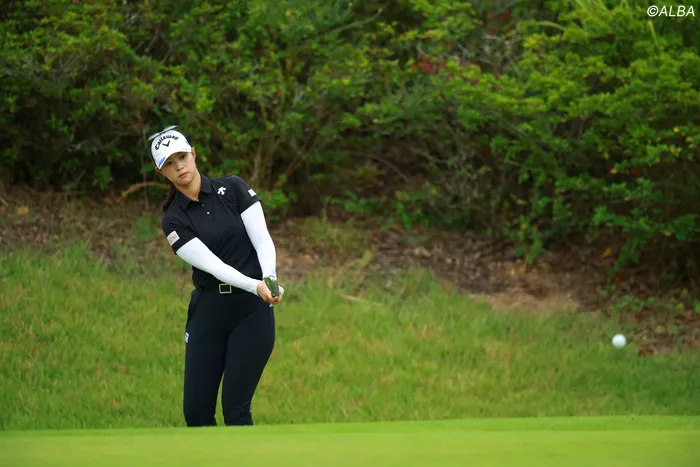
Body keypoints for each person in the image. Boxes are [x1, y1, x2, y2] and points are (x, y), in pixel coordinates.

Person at [148, 125, 284, 427]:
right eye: (169, 163)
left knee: (236, 409)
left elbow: (262, 240)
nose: (179, 166)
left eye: (182, 156)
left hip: (251, 313)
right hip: (208, 312)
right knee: (196, 413)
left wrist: (269, 279)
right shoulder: (174, 219)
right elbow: (212, 265)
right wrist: (255, 285)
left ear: (193, 154)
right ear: (161, 172)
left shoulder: (233, 189)